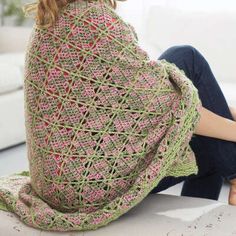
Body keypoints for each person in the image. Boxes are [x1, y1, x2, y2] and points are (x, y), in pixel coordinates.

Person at [0, 0, 236, 232]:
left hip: (55, 184)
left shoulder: (50, 19)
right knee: (188, 63)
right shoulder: (95, 20)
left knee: (179, 60)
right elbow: (170, 105)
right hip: (89, 188)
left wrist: (226, 115)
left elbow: (130, 101)